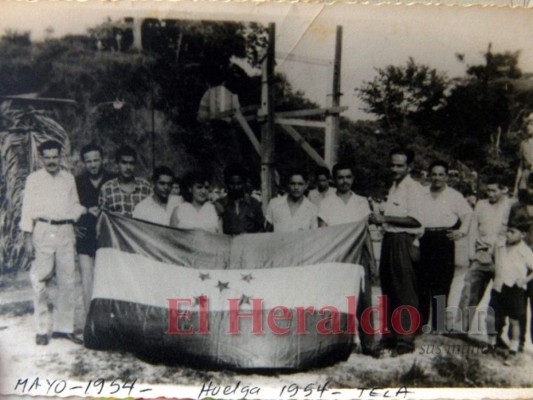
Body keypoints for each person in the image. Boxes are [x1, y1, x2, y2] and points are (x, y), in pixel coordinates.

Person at [20, 140, 86, 345]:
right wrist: (28, 238)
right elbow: (27, 209)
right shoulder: (34, 179)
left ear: (60, 157)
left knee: (67, 280)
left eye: (54, 157)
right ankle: (42, 329)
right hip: (43, 230)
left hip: (66, 231)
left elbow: (74, 203)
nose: (51, 161)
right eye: (47, 157)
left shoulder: (68, 179)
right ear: (41, 159)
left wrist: (78, 212)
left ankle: (63, 328)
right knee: (40, 280)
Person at [317, 163, 379, 357]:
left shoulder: (361, 202)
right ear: (333, 180)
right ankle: (338, 344)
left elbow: (365, 232)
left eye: (348, 177)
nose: (344, 181)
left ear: (353, 179)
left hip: (359, 255)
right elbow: (323, 232)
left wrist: (372, 260)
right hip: (338, 256)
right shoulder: (326, 203)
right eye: (340, 177)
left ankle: (369, 344)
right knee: (338, 300)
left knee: (363, 299)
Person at [369, 148, 424, 355]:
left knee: (404, 289)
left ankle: (405, 340)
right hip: (389, 239)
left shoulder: (414, 188)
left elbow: (415, 220)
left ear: (409, 167)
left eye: (400, 165)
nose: (394, 169)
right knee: (389, 287)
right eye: (392, 164)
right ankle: (390, 336)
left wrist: (384, 219)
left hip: (404, 240)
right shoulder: (394, 187)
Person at [418, 161, 472, 333]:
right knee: (423, 283)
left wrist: (461, 232)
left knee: (441, 283)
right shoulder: (421, 193)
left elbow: (468, 214)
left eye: (441, 174)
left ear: (447, 177)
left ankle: (438, 326)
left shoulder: (454, 195)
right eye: (434, 174)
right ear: (429, 175)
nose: (437, 178)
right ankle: (421, 324)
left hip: (444, 240)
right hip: (424, 238)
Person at [455, 175, 512, 337]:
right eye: (488, 190)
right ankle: (461, 328)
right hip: (481, 254)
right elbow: (473, 229)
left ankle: (495, 336)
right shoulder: (481, 205)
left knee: (499, 297)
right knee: (469, 291)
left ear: (504, 190)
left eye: (494, 191)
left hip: (502, 257)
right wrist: (472, 254)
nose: (490, 194)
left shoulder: (510, 206)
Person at [75, 143, 114, 314]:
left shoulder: (113, 180)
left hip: (109, 239)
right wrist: (74, 225)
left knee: (109, 280)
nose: (92, 164)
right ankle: (90, 324)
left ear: (103, 160)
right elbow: (69, 207)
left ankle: (109, 321)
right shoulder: (77, 182)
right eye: (88, 161)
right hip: (85, 237)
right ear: (83, 162)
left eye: (96, 160)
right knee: (87, 281)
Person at [487, 221, 533, 363]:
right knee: (491, 316)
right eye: (507, 230)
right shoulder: (500, 245)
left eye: (512, 232)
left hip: (514, 289)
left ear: (523, 234)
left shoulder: (525, 251)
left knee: (514, 321)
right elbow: (494, 258)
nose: (508, 234)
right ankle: (491, 344)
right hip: (499, 286)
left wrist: (524, 280)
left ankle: (513, 350)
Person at [508, 173, 533, 351]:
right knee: (517, 306)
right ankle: (517, 343)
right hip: (519, 261)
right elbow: (510, 231)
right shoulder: (516, 207)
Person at [98, 145, 151, 217]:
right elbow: (102, 219)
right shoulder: (107, 188)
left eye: (131, 163)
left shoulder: (146, 187)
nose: (128, 167)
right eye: (124, 163)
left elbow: (153, 214)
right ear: (117, 164)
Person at [214, 164, 264, 234]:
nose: (235, 187)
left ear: (244, 183)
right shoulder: (219, 204)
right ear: (226, 184)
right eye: (232, 184)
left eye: (239, 183)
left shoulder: (254, 204)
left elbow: (261, 229)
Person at [518, 112, 533, 189]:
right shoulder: (524, 144)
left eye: (531, 124)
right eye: (527, 124)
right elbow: (520, 166)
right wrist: (516, 188)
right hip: (526, 177)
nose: (528, 127)